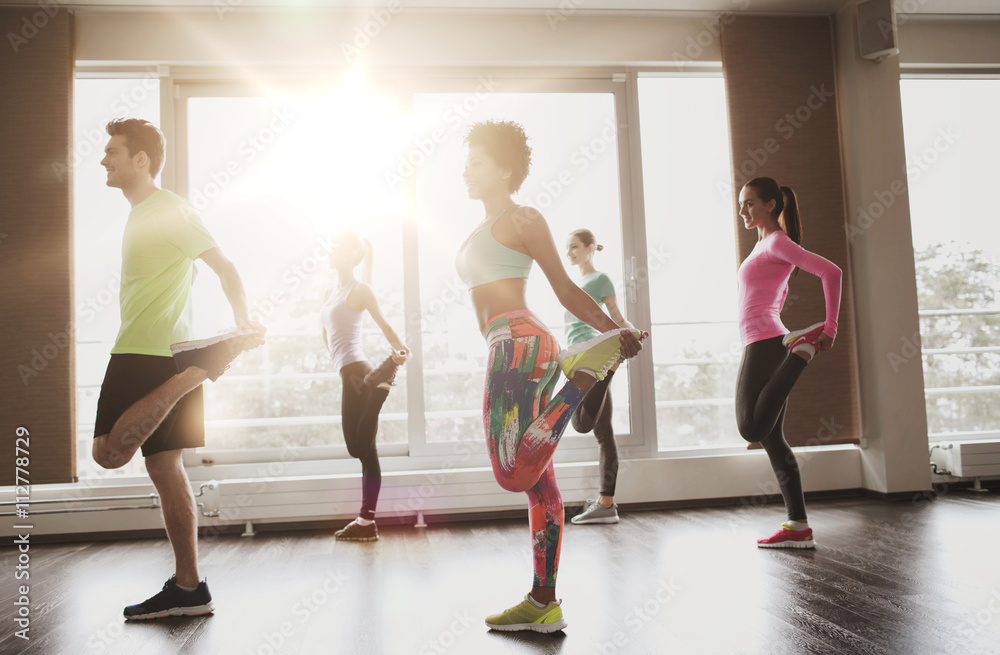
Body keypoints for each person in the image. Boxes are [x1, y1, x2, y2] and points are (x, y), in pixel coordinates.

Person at [455, 120, 645, 633]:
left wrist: (614, 331)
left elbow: (563, 288)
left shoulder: (522, 217)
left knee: (510, 472)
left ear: (505, 168)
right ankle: (544, 602)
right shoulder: (479, 228)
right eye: (465, 161)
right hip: (512, 343)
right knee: (539, 485)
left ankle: (581, 379)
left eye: (475, 162)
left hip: (521, 343)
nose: (465, 170)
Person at [92, 119, 265, 619]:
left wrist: (241, 320)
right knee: (166, 468)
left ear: (140, 159)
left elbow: (225, 266)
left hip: (148, 356)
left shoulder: (171, 210)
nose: (104, 160)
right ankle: (189, 588)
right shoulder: (143, 211)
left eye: (112, 152)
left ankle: (201, 369)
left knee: (108, 454)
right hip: (168, 354)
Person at [735, 176, 842, 549]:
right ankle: (798, 525)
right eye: (741, 204)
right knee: (772, 439)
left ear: (770, 204)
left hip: (766, 342)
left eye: (749, 203)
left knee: (750, 428)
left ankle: (802, 351)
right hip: (765, 339)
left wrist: (830, 327)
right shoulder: (763, 243)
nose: (743, 210)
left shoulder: (778, 241)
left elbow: (832, 272)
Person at [321, 232, 409, 541]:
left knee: (356, 448)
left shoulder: (360, 290)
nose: (329, 252)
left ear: (350, 255)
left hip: (358, 371)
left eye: (335, 248)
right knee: (367, 454)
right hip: (351, 373)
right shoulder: (331, 292)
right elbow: (327, 332)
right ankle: (366, 522)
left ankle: (383, 384)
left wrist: (401, 351)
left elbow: (383, 323)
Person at [564, 229, 632, 525]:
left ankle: (610, 370)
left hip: (591, 355)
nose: (570, 253)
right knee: (603, 433)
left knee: (581, 423)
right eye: (568, 248)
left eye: (575, 247)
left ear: (590, 249)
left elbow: (616, 315)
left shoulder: (599, 279)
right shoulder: (576, 282)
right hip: (581, 354)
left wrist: (632, 333)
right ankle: (606, 505)